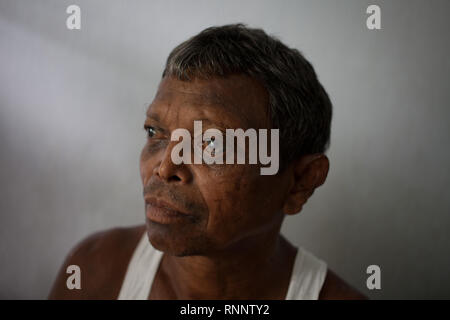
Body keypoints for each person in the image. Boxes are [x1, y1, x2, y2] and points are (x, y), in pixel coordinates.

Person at [49, 24, 366, 300]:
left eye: (212, 143)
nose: (164, 167)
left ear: (300, 182)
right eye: (155, 132)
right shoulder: (96, 270)